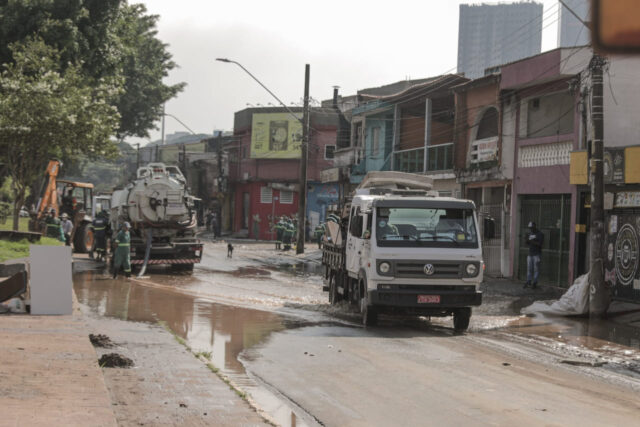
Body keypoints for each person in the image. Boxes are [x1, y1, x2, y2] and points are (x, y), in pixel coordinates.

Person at [524, 221, 544, 289]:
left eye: (532, 228)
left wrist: (531, 241)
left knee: (536, 269)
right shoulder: (530, 233)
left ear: (535, 226)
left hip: (537, 254)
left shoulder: (540, 234)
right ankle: (529, 281)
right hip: (530, 253)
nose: (531, 229)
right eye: (530, 228)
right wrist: (526, 240)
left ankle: (535, 282)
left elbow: (540, 244)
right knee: (529, 269)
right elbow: (527, 243)